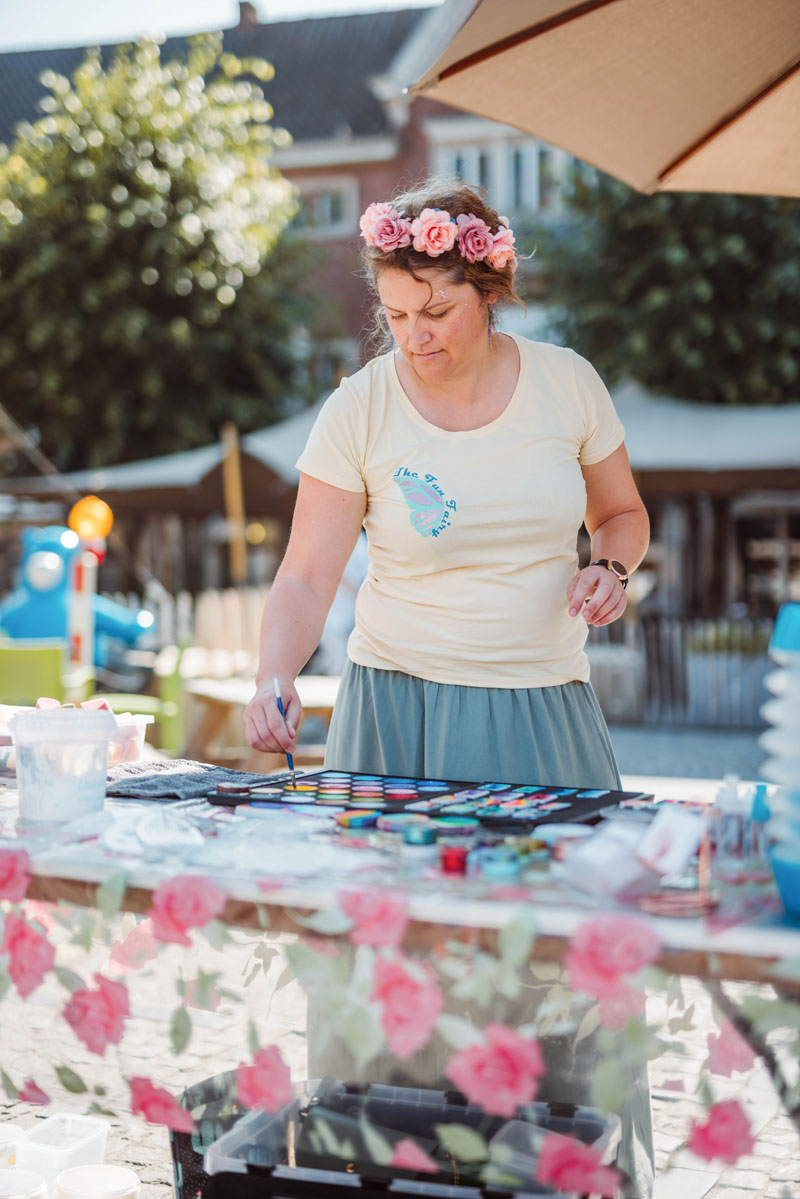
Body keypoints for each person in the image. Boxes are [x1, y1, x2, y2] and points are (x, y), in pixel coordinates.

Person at [244, 178, 652, 1196]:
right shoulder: (360, 405)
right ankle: (385, 1173)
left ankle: (561, 1173)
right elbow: (303, 573)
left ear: (488, 287)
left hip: (542, 719)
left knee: (553, 975)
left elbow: (622, 513)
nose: (412, 335)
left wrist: (610, 569)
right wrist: (271, 672)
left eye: (436, 311)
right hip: (397, 723)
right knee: (395, 977)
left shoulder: (567, 385)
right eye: (393, 314)